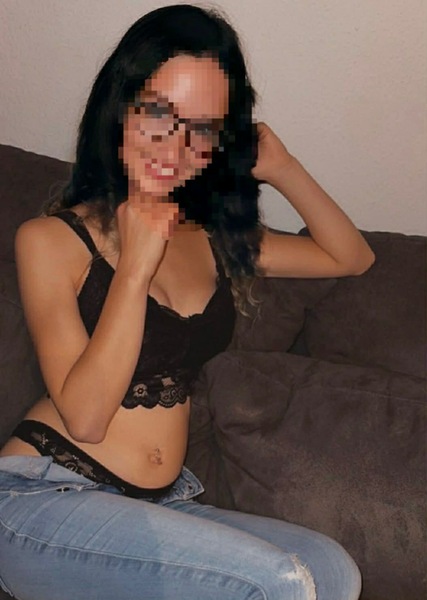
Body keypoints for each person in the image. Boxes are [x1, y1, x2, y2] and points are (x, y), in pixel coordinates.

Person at [0, 4, 374, 599]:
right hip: (42, 500)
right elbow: (86, 418)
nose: (175, 149)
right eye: (158, 113)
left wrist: (282, 168)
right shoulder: (50, 240)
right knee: (277, 584)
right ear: (118, 106)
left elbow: (350, 257)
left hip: (159, 506)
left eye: (202, 129)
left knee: (332, 569)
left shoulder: (213, 239)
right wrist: (135, 267)